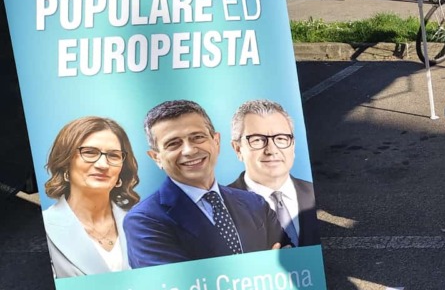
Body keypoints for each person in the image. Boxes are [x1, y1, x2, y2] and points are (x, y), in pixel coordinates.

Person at [124, 100, 290, 268]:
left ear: (216, 142)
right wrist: (265, 267)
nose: (189, 150)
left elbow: (292, 263)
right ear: (156, 157)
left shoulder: (255, 204)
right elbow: (179, 287)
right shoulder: (144, 221)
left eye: (197, 137)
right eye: (173, 143)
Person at [41, 116, 142, 278]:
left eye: (113, 156)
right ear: (66, 163)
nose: (103, 164)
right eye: (89, 152)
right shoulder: (44, 228)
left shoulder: (145, 221)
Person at [226, 99, 318, 247]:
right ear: (237, 149)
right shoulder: (219, 209)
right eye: (257, 140)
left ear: (292, 145)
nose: (271, 150)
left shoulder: (315, 193)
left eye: (281, 138)